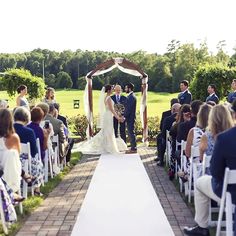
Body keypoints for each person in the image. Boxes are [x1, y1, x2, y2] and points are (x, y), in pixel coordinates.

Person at [183, 103, 236, 236]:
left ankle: (202, 227)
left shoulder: (224, 138)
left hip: (230, 192)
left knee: (200, 182)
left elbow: (215, 171)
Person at [76, 84, 127, 154]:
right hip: (108, 116)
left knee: (108, 132)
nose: (113, 90)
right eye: (112, 89)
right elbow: (112, 110)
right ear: (109, 90)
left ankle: (107, 147)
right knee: (109, 132)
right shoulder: (108, 98)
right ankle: (109, 148)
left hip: (108, 115)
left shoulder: (106, 97)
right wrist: (118, 117)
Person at [13, 107, 44, 196]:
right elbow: (34, 151)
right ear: (27, 118)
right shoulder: (29, 132)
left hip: (11, 161)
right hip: (26, 162)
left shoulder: (8, 131)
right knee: (39, 164)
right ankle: (37, 189)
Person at [199, 104, 234, 174]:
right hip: (232, 176)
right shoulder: (232, 135)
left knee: (199, 181)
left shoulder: (206, 136)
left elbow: (201, 159)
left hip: (214, 176)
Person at [124, 83, 137, 154]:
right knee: (130, 132)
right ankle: (133, 147)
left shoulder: (131, 97)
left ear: (129, 88)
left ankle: (133, 148)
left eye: (126, 88)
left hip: (130, 118)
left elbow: (128, 109)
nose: (125, 89)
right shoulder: (130, 96)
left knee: (131, 132)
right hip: (130, 118)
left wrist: (123, 116)